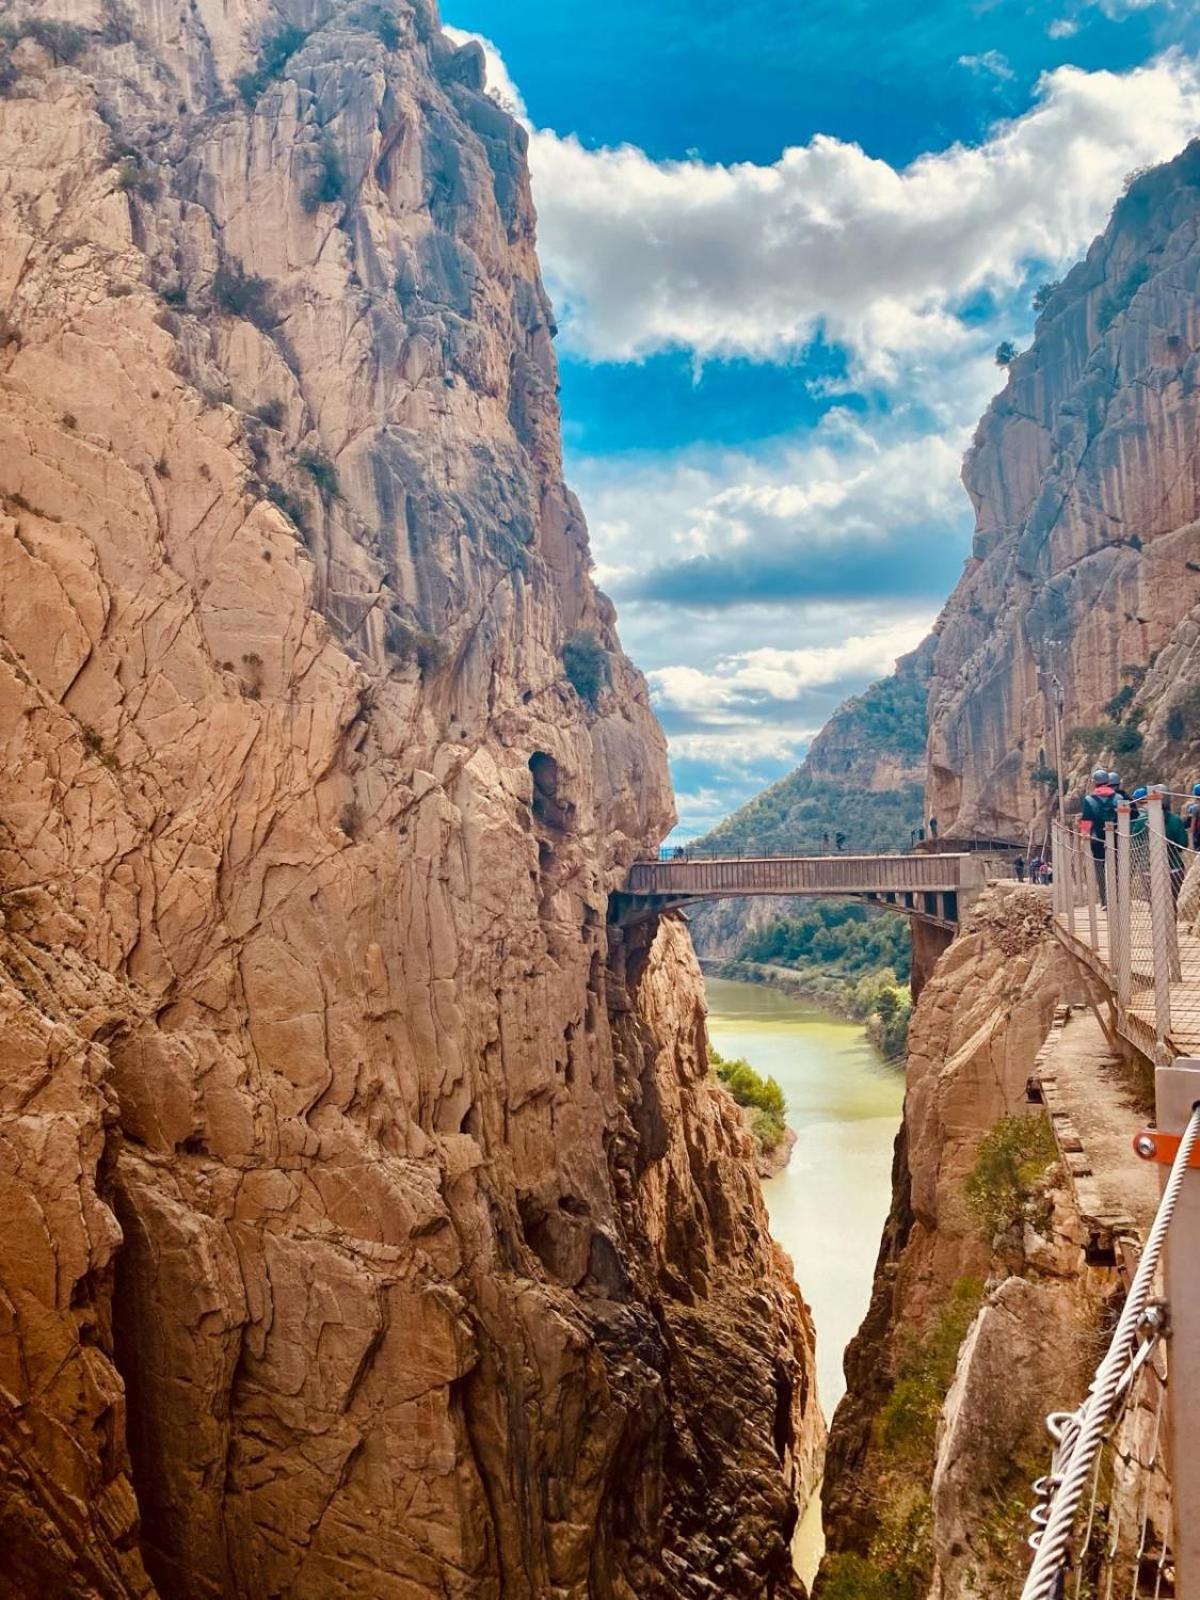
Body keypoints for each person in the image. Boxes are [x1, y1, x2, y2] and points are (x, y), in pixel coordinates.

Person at [1080, 767, 1119, 905]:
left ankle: (1104, 900)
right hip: (1116, 838)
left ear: (1094, 782)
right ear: (1108, 781)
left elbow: (1086, 819)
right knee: (1116, 868)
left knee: (1100, 869)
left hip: (1096, 839)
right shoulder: (1118, 798)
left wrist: (1085, 834)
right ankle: (1118, 897)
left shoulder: (1089, 800)